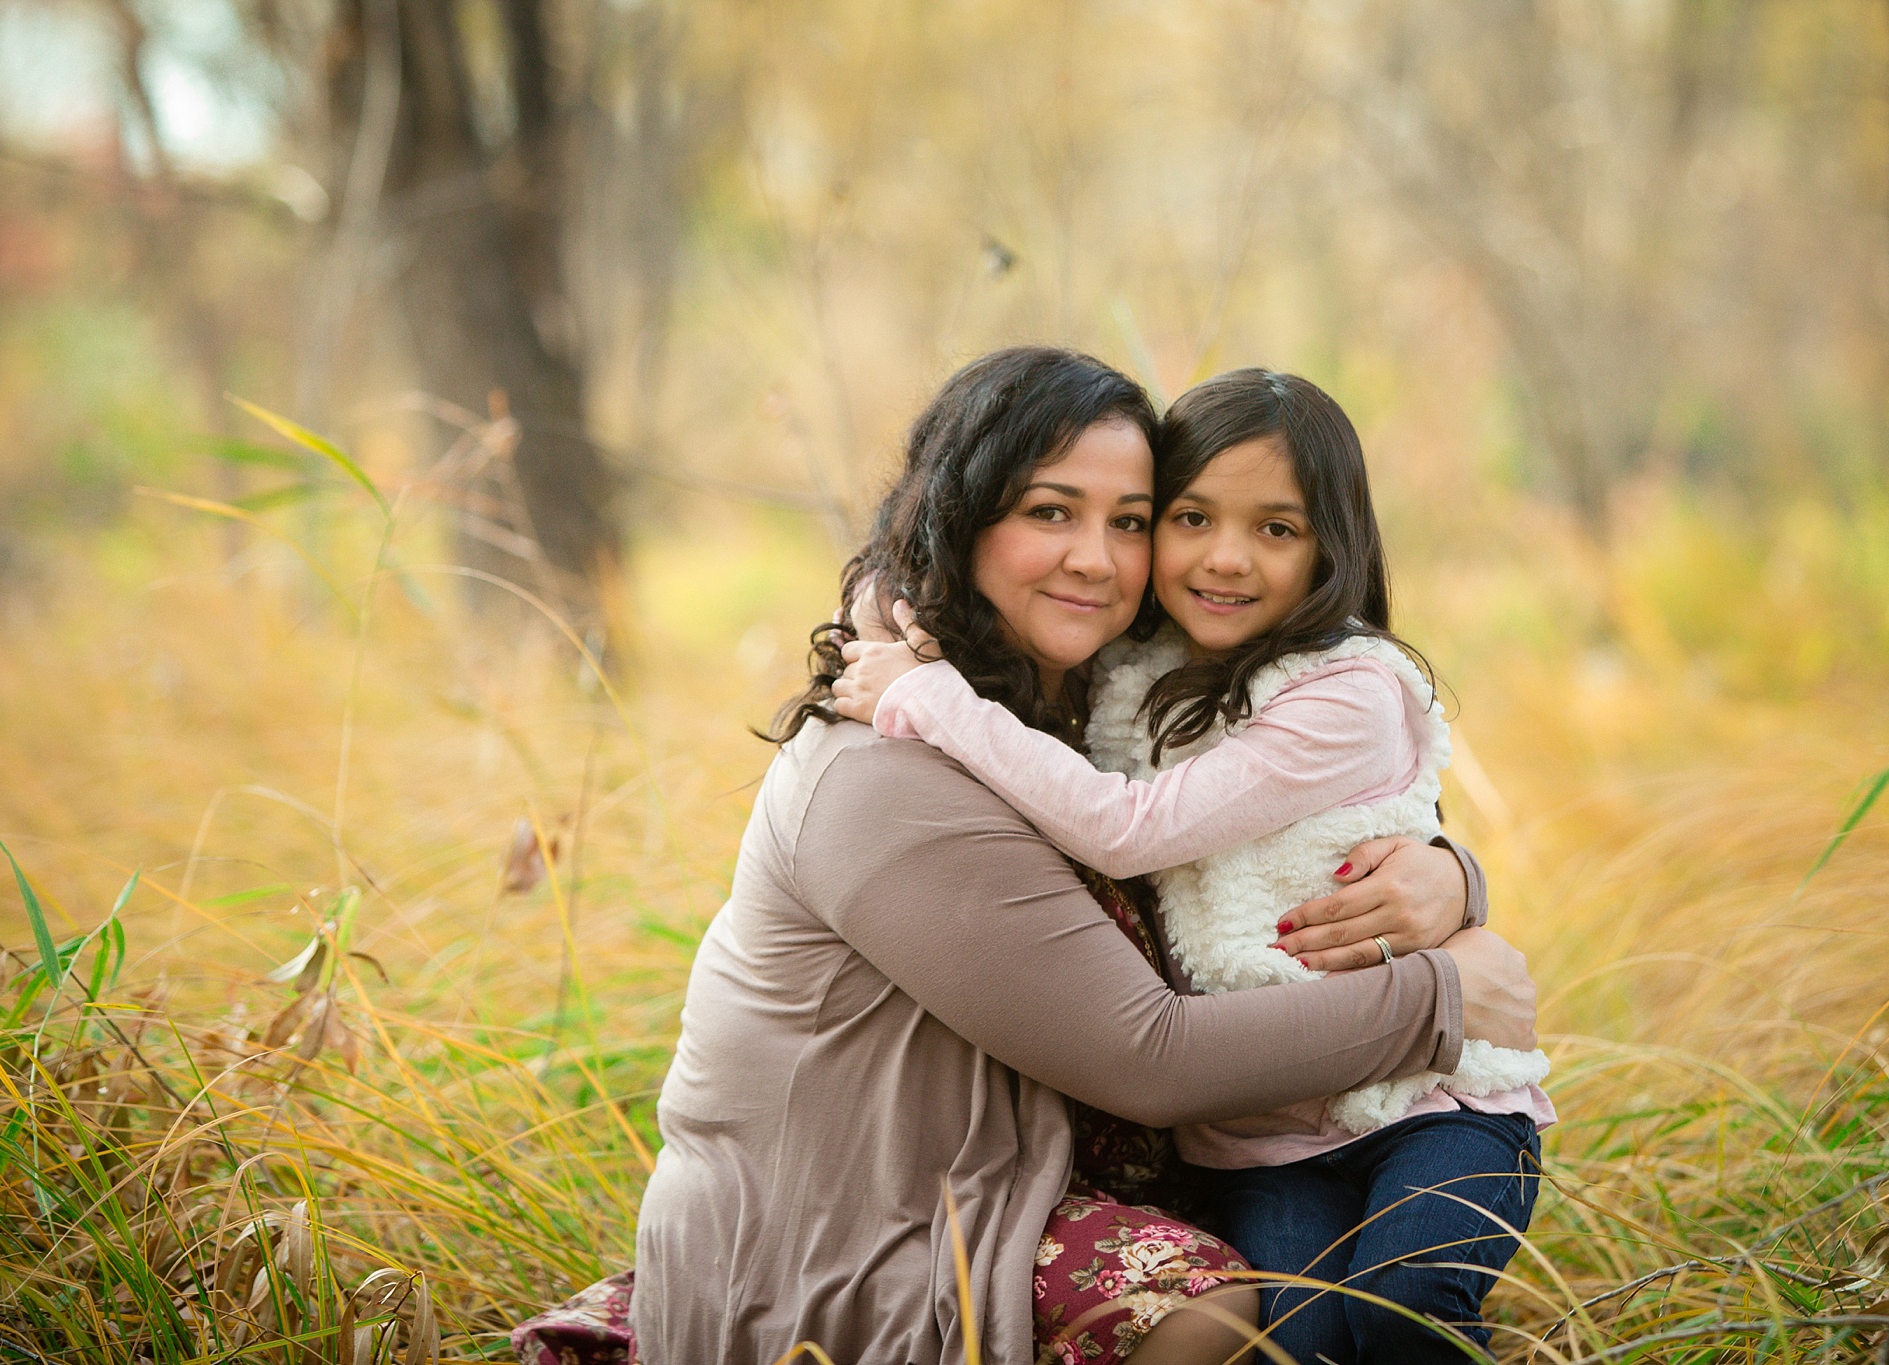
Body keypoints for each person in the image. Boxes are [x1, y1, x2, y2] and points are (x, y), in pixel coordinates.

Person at [586, 347, 1537, 1365]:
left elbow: (1247, 828)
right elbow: (1148, 1057)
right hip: (857, 1235)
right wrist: (1441, 998)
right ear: (959, 518)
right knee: (1209, 1308)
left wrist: (1443, 872)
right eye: (1049, 512)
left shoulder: (1064, 707)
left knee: (1323, 1303)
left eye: (1128, 520)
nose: (1096, 557)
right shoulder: (887, 776)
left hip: (1021, 1180)